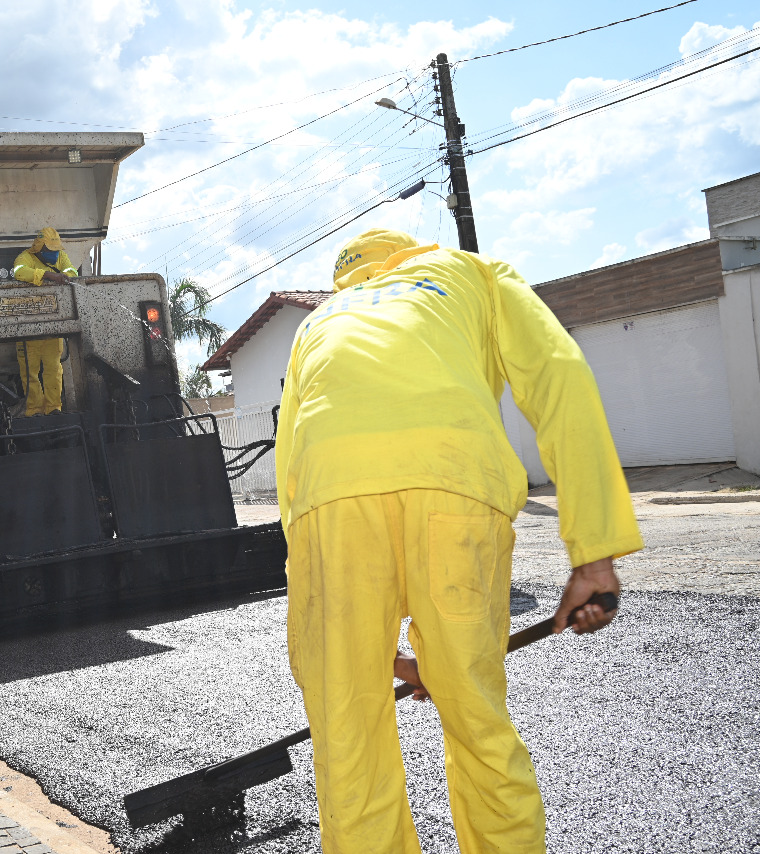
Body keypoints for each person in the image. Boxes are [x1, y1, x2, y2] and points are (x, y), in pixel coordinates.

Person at [274, 228, 644, 853]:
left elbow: (292, 473)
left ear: (348, 277)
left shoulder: (319, 321)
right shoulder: (473, 271)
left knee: (348, 733)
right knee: (475, 717)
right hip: (455, 477)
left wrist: (352, 649)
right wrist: (594, 551)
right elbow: (559, 375)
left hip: (330, 497)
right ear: (410, 253)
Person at [11, 227, 78, 415]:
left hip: (52, 324)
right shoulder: (24, 257)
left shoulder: (60, 257)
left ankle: (53, 409)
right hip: (27, 326)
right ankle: (33, 410)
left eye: (56, 249)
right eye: (50, 250)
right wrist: (48, 275)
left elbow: (71, 270)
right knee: (29, 372)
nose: (54, 254)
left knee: (53, 370)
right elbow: (19, 272)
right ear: (39, 248)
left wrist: (68, 276)